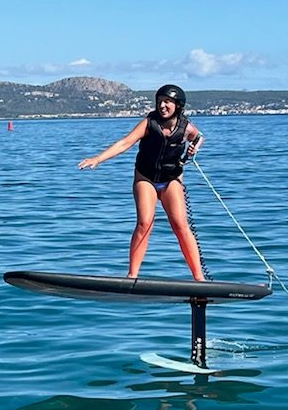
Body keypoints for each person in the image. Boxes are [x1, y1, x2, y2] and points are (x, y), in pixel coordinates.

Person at [79, 84, 207, 280]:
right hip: (145, 178)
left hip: (171, 179)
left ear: (178, 106)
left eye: (168, 102)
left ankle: (199, 278)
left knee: (181, 225)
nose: (162, 105)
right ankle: (132, 275)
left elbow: (199, 137)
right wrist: (98, 159)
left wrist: (194, 148)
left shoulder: (185, 127)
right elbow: (125, 142)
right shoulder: (149, 124)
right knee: (145, 222)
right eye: (160, 101)